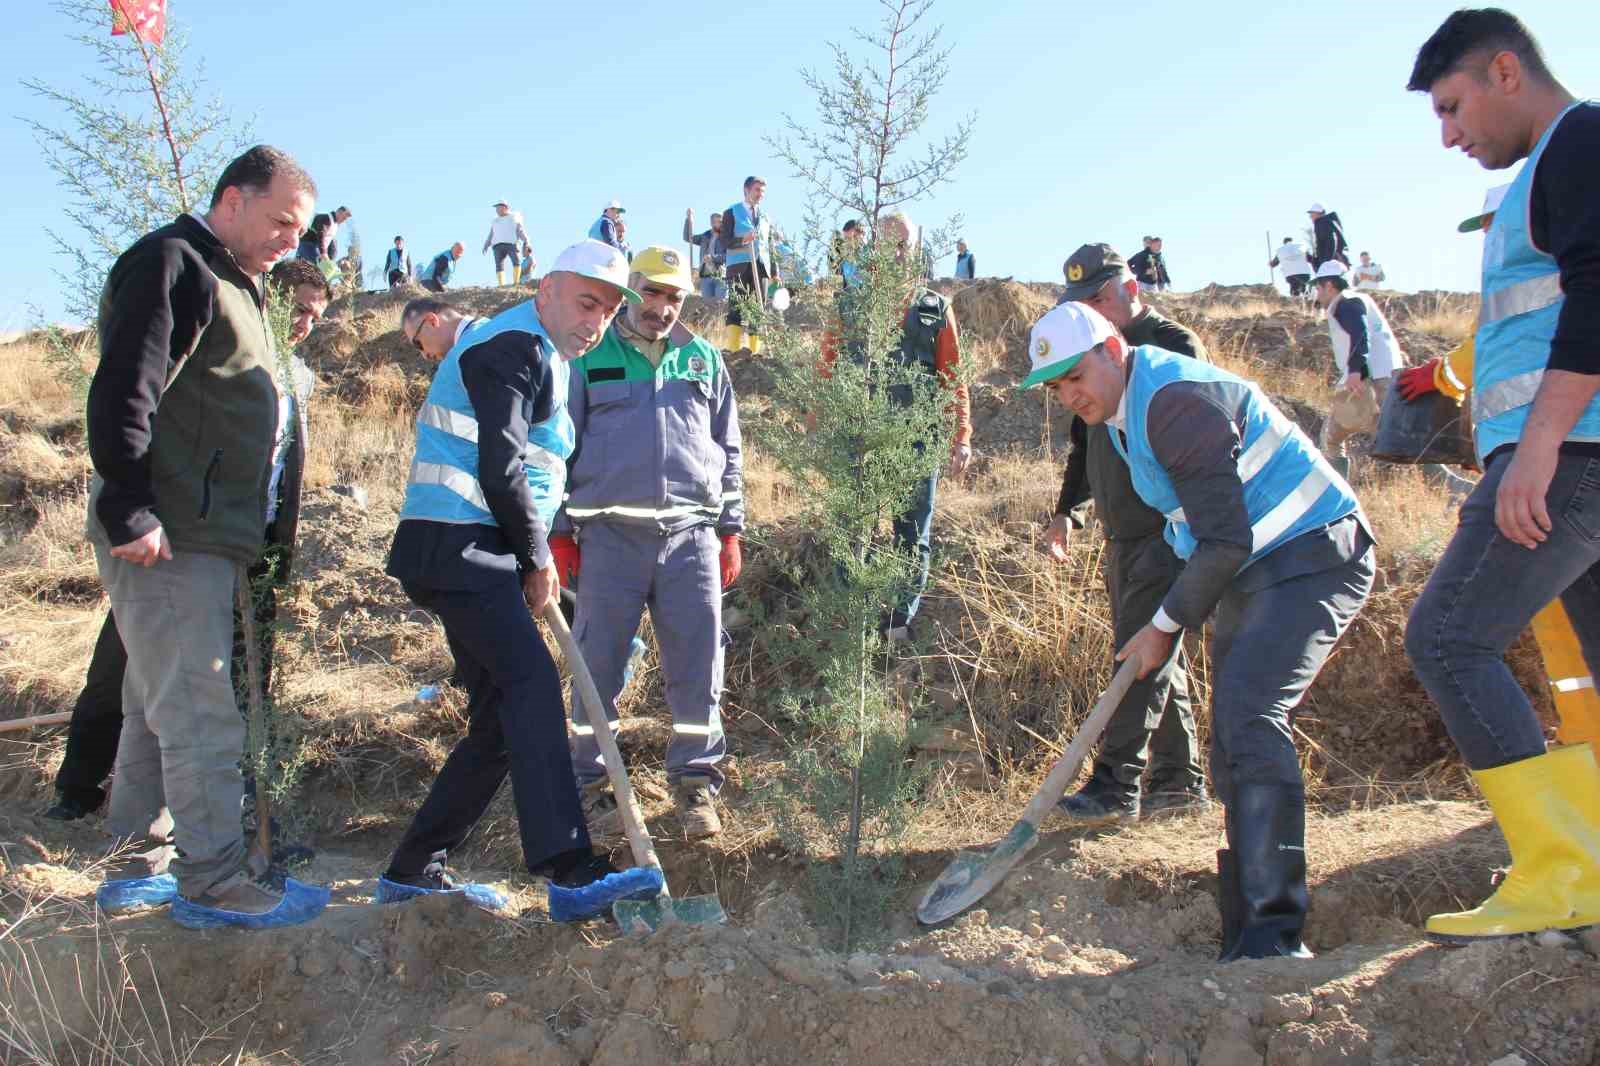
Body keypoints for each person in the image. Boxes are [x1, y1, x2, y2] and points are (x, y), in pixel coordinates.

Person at [1023, 301, 1373, 961]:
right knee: (1232, 736)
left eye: (1076, 375)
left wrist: (1161, 625)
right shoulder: (1128, 412)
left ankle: (1274, 935)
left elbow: (1224, 540)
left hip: (1315, 552)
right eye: (1056, 386)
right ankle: (1246, 928)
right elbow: (1197, 531)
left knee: (1252, 718)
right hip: (1262, 563)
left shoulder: (1173, 402)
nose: (1070, 395)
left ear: (1112, 350)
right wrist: (1162, 617)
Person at [85, 144, 329, 928]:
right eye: (280, 221)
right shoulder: (174, 264)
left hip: (208, 535)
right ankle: (215, 881)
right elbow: (128, 385)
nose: (292, 239)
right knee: (198, 711)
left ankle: (135, 863)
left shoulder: (240, 285)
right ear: (231, 199)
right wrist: (130, 505)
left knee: (154, 701)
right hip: (169, 529)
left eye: (301, 228)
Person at [1402, 7, 1600, 943]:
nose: (1448, 134)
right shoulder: (1549, 168)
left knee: (1446, 635)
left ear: (1505, 72)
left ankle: (1562, 872)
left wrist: (1537, 447)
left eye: (1452, 106)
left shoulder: (1579, 142)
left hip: (1570, 454)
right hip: (1577, 455)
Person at [377, 240, 648, 917]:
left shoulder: (544, 355)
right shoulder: (514, 347)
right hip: (460, 544)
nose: (596, 320)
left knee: (499, 721)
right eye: (586, 302)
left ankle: (413, 868)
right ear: (547, 288)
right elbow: (499, 466)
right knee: (528, 683)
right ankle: (569, 869)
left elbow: (530, 466)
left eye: (609, 311)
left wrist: (529, 552)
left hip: (469, 548)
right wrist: (535, 559)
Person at [47, 258, 333, 830]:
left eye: (315, 316)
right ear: (267, 298)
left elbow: (283, 466)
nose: (305, 322)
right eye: (299, 308)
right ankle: (79, 790)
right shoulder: (214, 348)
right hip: (175, 538)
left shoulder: (296, 375)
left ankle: (222, 810)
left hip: (250, 543)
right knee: (121, 668)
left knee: (242, 678)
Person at [549, 245, 743, 839]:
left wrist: (730, 530)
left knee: (698, 666)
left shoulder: (705, 360)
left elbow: (729, 451)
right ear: (631, 292)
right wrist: (558, 533)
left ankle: (694, 789)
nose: (661, 307)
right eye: (651, 294)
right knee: (597, 668)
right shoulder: (588, 357)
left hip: (691, 540)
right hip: (609, 540)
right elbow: (555, 449)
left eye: (673, 297)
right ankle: (595, 791)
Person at [1045, 244, 1209, 820]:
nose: (1089, 310)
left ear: (1130, 288)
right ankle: (1178, 783)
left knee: (1138, 655)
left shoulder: (1173, 346)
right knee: (1156, 653)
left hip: (1166, 528)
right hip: (1123, 531)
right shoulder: (1084, 357)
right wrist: (1069, 510)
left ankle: (1116, 786)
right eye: (1079, 302)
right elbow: (1082, 443)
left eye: (1097, 298)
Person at [820, 210, 971, 642]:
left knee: (912, 529)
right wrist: (818, 427)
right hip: (856, 438)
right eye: (888, 243)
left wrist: (961, 435)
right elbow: (826, 369)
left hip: (916, 440)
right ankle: (852, 618)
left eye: (904, 243)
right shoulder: (849, 306)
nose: (897, 251)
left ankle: (900, 621)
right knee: (852, 526)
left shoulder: (935, 309)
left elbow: (952, 379)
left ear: (915, 249)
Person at [1313, 261, 1406, 479]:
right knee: (1396, 435)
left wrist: (1356, 370)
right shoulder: (1360, 299)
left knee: (1331, 437)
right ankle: (1446, 484)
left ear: (1329, 285)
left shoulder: (1345, 302)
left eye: (1318, 287)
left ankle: (1336, 494)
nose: (1316, 293)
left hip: (1369, 377)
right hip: (1385, 373)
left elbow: (1360, 334)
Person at [721, 176, 778, 354]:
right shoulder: (731, 212)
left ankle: (754, 350)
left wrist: (775, 271)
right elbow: (724, 241)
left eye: (762, 191)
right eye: (757, 190)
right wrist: (742, 240)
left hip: (761, 267)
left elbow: (770, 245)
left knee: (758, 309)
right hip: (738, 266)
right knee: (737, 305)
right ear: (746, 190)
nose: (760, 194)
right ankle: (732, 348)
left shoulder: (765, 217)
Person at [684, 208, 728, 301]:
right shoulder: (705, 236)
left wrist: (713, 258)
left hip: (721, 276)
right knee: (708, 305)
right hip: (705, 276)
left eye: (721, 222)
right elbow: (688, 238)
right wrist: (688, 219)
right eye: (717, 222)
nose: (720, 224)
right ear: (712, 223)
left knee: (720, 304)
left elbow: (728, 256)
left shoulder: (726, 237)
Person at [483, 201, 531, 286]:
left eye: (498, 207)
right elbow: (491, 234)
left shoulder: (513, 218)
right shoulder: (495, 221)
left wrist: (526, 240)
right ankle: (501, 285)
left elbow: (520, 231)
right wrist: (486, 245)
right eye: (496, 208)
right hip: (497, 245)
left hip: (511, 243)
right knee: (499, 265)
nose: (497, 210)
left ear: (505, 208)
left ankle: (516, 282)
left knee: (516, 261)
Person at [1307, 204, 1350, 269]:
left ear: (1318, 213)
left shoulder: (1321, 223)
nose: (1310, 217)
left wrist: (1327, 262)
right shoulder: (1330, 222)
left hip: (1332, 264)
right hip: (1340, 261)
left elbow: (1331, 241)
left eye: (1312, 214)